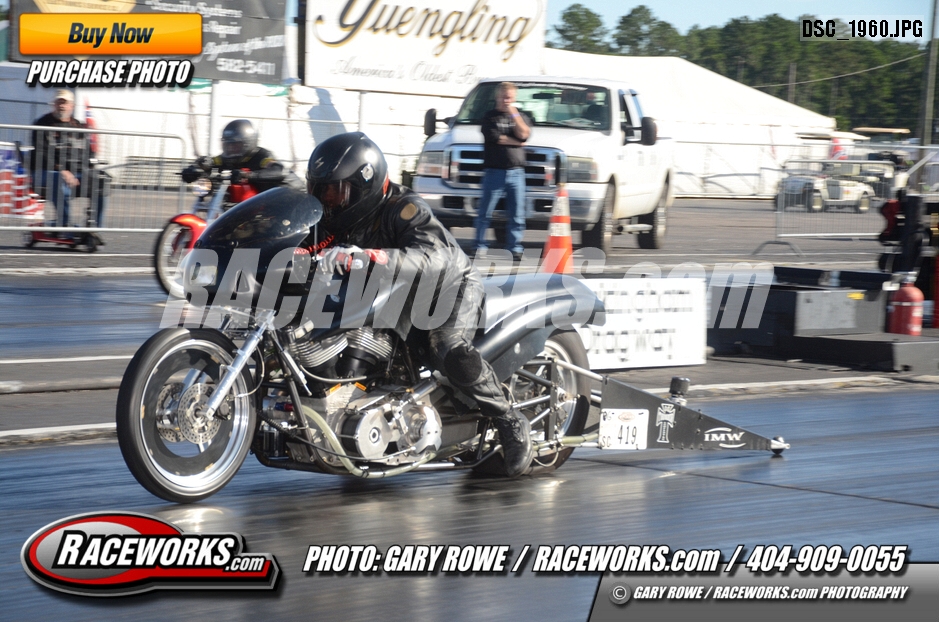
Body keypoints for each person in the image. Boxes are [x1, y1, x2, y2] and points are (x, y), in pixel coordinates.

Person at [308, 131, 534, 478]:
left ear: (364, 184)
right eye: (321, 190)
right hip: (391, 293)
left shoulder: (405, 209)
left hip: (447, 286)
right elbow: (308, 244)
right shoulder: (331, 219)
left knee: (447, 347)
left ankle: (509, 419)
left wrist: (374, 256)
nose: (328, 200)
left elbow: (433, 256)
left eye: (336, 191)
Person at [31, 89, 107, 241]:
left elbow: (88, 153)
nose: (61, 105)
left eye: (64, 103)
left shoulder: (78, 126)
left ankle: (94, 229)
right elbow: (41, 153)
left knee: (102, 180)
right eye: (59, 102)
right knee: (58, 178)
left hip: (76, 172)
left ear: (72, 105)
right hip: (47, 171)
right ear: (53, 104)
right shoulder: (42, 124)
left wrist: (88, 170)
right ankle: (64, 225)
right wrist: (62, 170)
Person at [474, 82, 531, 261]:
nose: (506, 100)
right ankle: (480, 246)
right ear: (497, 97)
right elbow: (497, 138)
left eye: (510, 97)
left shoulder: (521, 116)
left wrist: (515, 114)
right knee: (485, 213)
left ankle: (515, 248)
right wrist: (518, 143)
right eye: (504, 97)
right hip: (495, 172)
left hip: (517, 173)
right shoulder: (489, 117)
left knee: (517, 214)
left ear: (514, 98)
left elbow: (524, 134)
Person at [181, 119, 304, 192]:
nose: (231, 149)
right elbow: (210, 161)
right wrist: (194, 168)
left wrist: (248, 175)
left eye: (236, 145)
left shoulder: (261, 156)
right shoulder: (227, 158)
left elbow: (280, 170)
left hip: (290, 198)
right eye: (228, 145)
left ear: (248, 143)